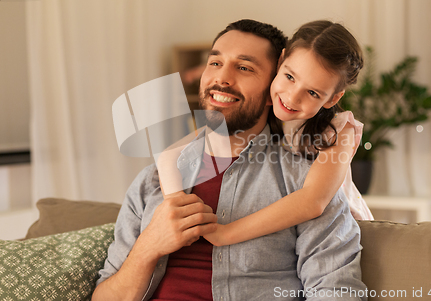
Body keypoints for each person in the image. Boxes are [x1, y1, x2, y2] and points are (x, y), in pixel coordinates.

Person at [93, 19, 367, 301]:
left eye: (244, 68)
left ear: (271, 80)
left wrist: (224, 234)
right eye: (214, 63)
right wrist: (149, 246)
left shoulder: (306, 177)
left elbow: (337, 291)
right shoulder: (150, 183)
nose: (221, 78)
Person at [157, 20, 373, 247]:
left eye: (312, 92)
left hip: (338, 234)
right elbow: (170, 154)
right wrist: (178, 205)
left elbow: (313, 201)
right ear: (280, 62)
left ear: (332, 98)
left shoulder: (340, 129)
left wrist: (225, 234)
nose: (292, 97)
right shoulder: (268, 107)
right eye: (290, 77)